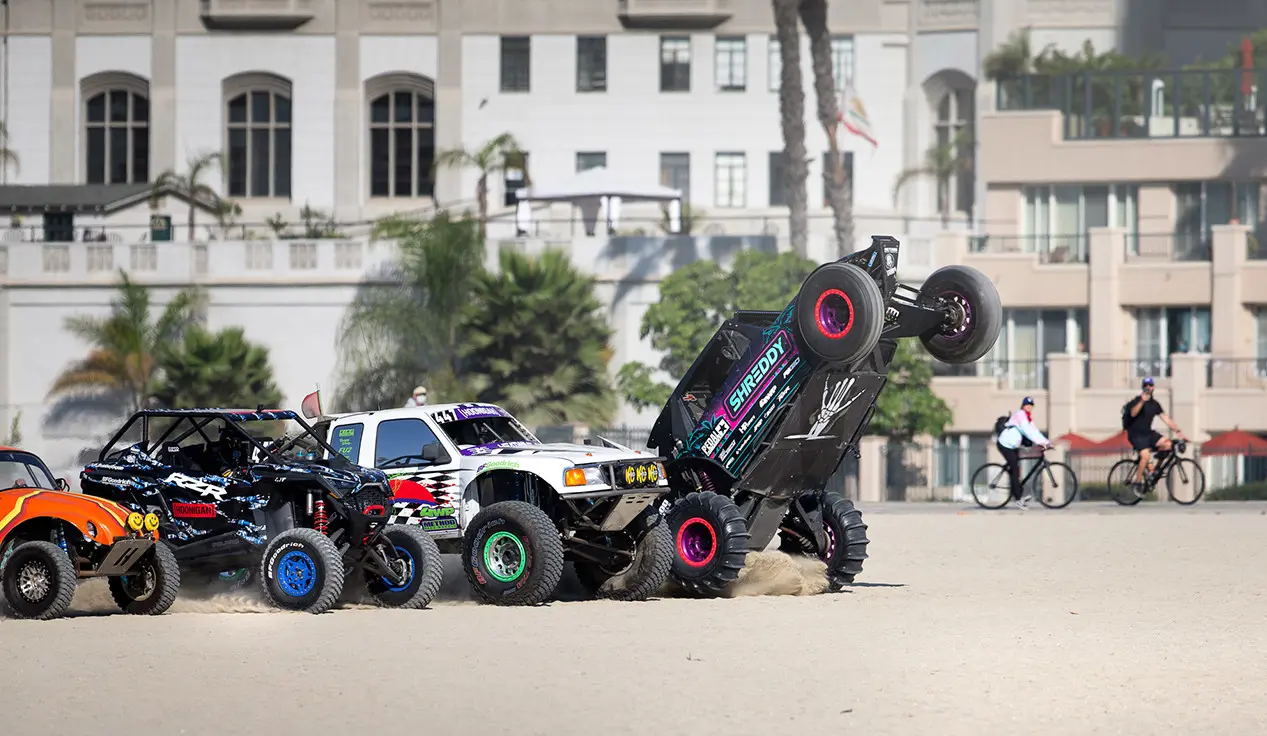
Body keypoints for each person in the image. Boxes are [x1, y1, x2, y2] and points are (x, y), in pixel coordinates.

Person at [1122, 377, 1186, 487]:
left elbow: (1165, 418)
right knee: (1145, 456)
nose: (1148, 388)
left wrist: (1177, 430)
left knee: (1168, 444)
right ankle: (1138, 482)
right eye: (1146, 386)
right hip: (1136, 435)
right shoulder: (1137, 400)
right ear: (1143, 388)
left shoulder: (1154, 404)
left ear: (1153, 388)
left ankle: (1155, 470)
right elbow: (1133, 413)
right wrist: (1142, 401)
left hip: (1148, 433)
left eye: (1150, 386)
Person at [996, 396, 1052, 510]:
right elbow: (1028, 432)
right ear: (1023, 405)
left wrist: (1047, 442)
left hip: (1013, 446)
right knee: (1015, 469)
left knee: (1015, 470)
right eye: (1027, 404)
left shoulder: (1027, 417)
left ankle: (1017, 490)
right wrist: (1042, 443)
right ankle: (1018, 499)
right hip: (1005, 444)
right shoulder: (1020, 415)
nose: (1029, 407)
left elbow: (1035, 431)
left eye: (1031, 405)